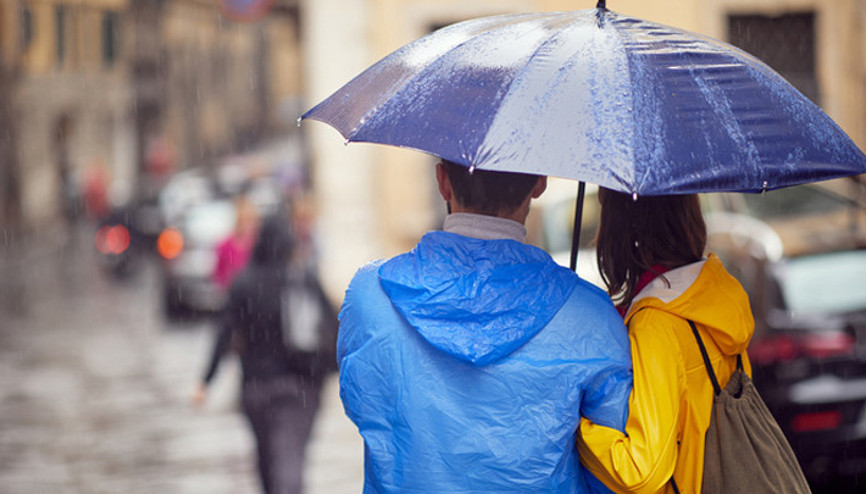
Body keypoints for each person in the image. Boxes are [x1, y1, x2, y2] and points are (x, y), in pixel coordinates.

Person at [337, 159, 633, 492]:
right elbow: (613, 468)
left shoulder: (370, 298)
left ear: (443, 181)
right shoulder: (590, 315)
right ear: (539, 182)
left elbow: (363, 405)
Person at [577, 188, 755, 493]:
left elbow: (643, 471)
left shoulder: (656, 322)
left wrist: (579, 429)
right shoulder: (716, 294)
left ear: (620, 225)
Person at [193, 212, 338, 494]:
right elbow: (332, 326)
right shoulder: (301, 279)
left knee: (267, 461)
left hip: (256, 389)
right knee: (289, 461)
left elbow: (224, 334)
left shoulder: (243, 283)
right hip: (300, 387)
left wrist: (205, 381)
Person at [213, 195, 259, 290]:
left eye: (251, 220)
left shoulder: (259, 244)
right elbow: (219, 275)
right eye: (244, 220)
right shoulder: (225, 246)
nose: (248, 225)